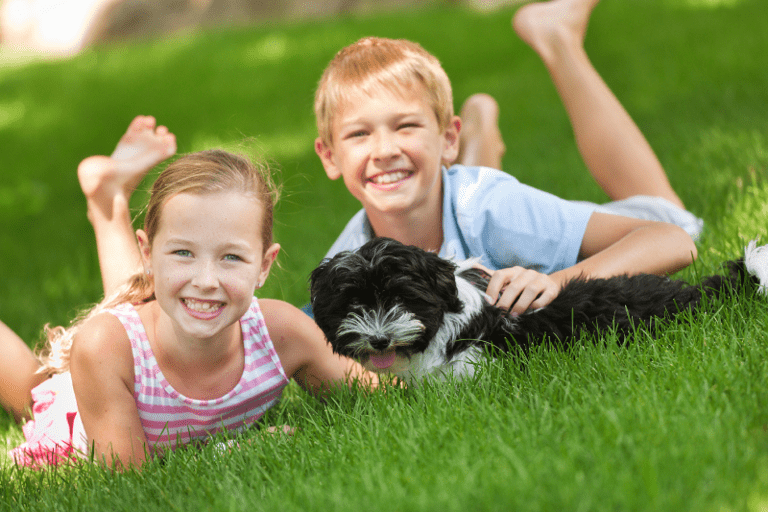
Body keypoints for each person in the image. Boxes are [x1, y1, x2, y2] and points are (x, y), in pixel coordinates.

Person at [7, 117, 377, 469]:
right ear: (146, 253)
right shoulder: (105, 347)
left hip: (131, 348)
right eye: (183, 252)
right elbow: (128, 478)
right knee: (32, 389)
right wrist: (238, 450)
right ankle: (109, 204)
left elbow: (377, 394)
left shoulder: (282, 333)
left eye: (231, 257)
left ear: (264, 265)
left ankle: (109, 200)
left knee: (161, 296)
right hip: (83, 402)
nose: (206, 279)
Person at [312, 0, 702, 316]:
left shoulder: (494, 209)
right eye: (359, 134)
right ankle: (478, 143)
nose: (384, 150)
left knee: (668, 210)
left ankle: (557, 37)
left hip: (631, 230)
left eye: (405, 126)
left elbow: (673, 241)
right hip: (471, 198)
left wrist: (557, 281)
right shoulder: (348, 257)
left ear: (448, 139)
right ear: (329, 157)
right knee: (468, 199)